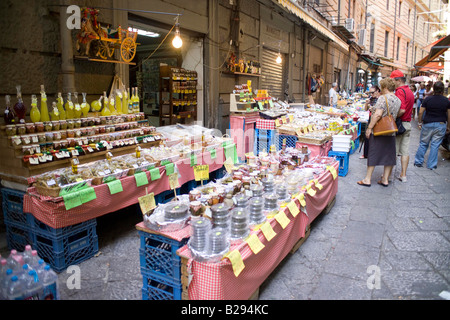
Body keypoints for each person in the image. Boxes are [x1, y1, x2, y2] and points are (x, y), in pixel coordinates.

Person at [357, 78, 401, 187]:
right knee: (389, 155)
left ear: (385, 87)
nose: (380, 88)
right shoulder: (397, 100)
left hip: (379, 130)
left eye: (381, 86)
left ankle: (367, 179)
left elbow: (377, 115)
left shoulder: (382, 98)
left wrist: (369, 128)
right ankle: (385, 179)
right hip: (390, 130)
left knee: (373, 153)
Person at [414, 81, 450, 170]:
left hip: (428, 123)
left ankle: (418, 162)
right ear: (442, 90)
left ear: (433, 89)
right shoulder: (446, 101)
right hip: (440, 124)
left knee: (423, 143)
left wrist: (419, 122)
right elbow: (449, 114)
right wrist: (448, 126)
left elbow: (421, 111)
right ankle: (431, 165)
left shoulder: (428, 99)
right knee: (435, 145)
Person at [391, 70, 415, 183]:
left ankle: (388, 176)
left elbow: (402, 109)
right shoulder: (409, 91)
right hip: (408, 124)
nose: (392, 83)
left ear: (399, 80)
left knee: (394, 150)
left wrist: (394, 116)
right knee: (405, 151)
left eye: (393, 81)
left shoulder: (400, 91)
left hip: (400, 125)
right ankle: (403, 175)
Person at [360, 85, 381, 159]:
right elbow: (366, 109)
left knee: (376, 136)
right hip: (370, 118)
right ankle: (366, 154)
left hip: (377, 120)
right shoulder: (371, 99)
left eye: (372, 92)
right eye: (370, 93)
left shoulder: (381, 99)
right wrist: (366, 104)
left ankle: (375, 154)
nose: (371, 94)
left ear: (377, 91)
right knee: (367, 136)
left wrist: (374, 110)